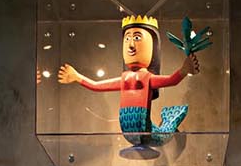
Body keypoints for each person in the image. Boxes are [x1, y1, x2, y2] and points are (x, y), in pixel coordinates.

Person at [58, 12, 209, 143]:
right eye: (127, 39)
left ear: (153, 46)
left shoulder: (148, 78)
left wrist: (184, 70)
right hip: (127, 132)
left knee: (163, 133)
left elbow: (171, 80)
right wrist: (77, 77)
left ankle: (171, 118)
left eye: (137, 38)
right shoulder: (124, 78)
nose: (131, 45)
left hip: (146, 133)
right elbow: (97, 86)